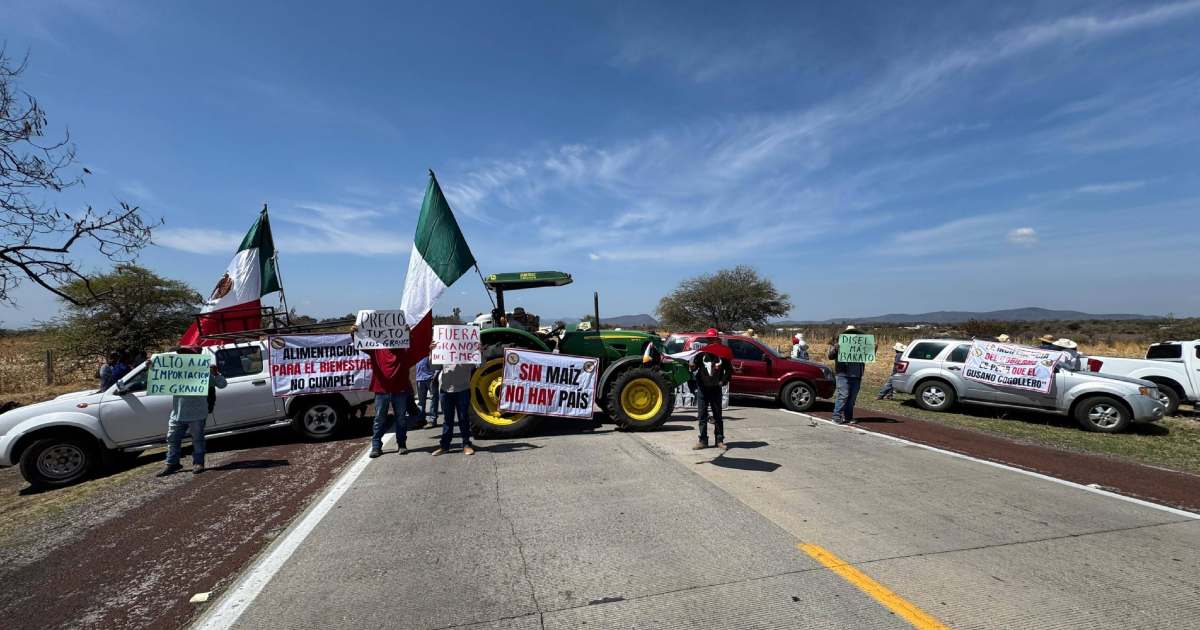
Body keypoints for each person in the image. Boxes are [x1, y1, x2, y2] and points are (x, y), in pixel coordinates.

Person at [156, 347, 227, 476]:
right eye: (182, 354)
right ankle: (172, 463)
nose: (184, 356)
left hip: (197, 414)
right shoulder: (175, 371)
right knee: (172, 439)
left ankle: (198, 463)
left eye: (187, 354)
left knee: (197, 440)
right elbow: (158, 376)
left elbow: (222, 384)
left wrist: (216, 373)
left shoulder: (204, 372)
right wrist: (152, 366)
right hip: (177, 413)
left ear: (195, 357)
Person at [352, 325, 417, 458]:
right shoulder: (376, 349)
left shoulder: (403, 348)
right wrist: (354, 334)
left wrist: (407, 333)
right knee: (379, 419)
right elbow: (361, 344)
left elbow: (411, 344)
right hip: (381, 390)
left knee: (401, 418)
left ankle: (401, 444)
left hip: (400, 390)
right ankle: (376, 446)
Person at [432, 351, 477, 456]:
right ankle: (444, 446)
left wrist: (479, 353)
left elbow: (480, 364)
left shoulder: (467, 350)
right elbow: (433, 366)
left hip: (463, 389)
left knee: (463, 418)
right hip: (445, 390)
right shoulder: (445, 350)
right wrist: (432, 353)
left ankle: (466, 445)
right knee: (447, 419)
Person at [827, 325, 870, 424]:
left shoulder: (861, 344)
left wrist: (873, 348)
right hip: (842, 374)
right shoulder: (838, 343)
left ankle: (848, 417)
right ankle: (836, 416)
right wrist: (835, 349)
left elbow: (868, 355)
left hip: (856, 375)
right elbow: (830, 356)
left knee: (852, 398)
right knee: (843, 395)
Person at [691, 349, 731, 450]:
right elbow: (694, 368)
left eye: (713, 341)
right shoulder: (701, 355)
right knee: (702, 415)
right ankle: (703, 441)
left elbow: (729, 370)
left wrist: (723, 381)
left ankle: (719, 440)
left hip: (715, 390)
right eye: (709, 341)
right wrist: (692, 367)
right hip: (702, 390)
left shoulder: (722, 357)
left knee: (717, 415)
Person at [415, 351, 441, 428]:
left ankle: (432, 420)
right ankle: (421, 420)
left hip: (431, 378)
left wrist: (436, 374)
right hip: (419, 378)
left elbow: (439, 360)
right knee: (421, 401)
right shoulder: (417, 350)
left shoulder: (432, 348)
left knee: (433, 399)